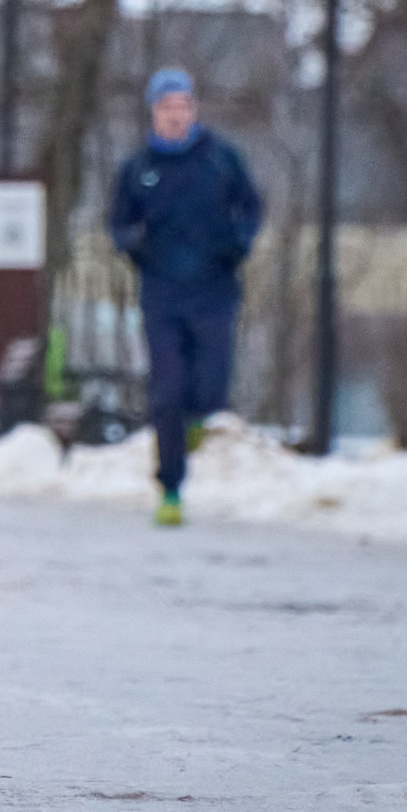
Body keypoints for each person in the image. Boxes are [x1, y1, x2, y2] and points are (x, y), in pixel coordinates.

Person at [108, 68, 262, 527]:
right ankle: (171, 487)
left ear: (194, 110)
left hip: (215, 290)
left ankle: (196, 424)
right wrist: (135, 245)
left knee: (211, 387)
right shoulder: (138, 169)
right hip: (162, 294)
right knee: (166, 390)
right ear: (154, 112)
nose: (176, 116)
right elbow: (118, 223)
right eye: (167, 108)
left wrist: (239, 242)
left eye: (183, 107)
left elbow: (252, 206)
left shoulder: (221, 159)